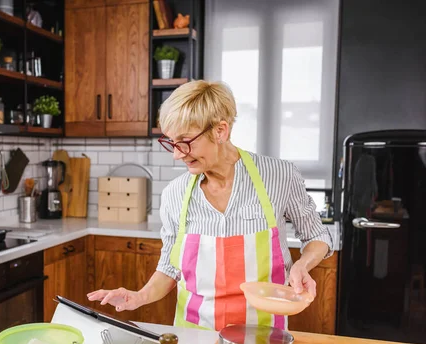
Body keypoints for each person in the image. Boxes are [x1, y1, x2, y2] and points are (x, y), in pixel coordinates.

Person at [88, 80, 333, 330]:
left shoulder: (279, 176)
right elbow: (170, 267)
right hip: (193, 338)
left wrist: (302, 265)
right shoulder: (176, 194)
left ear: (220, 131)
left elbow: (317, 235)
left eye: (185, 141)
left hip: (263, 335)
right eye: (172, 142)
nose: (177, 153)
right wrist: (139, 296)